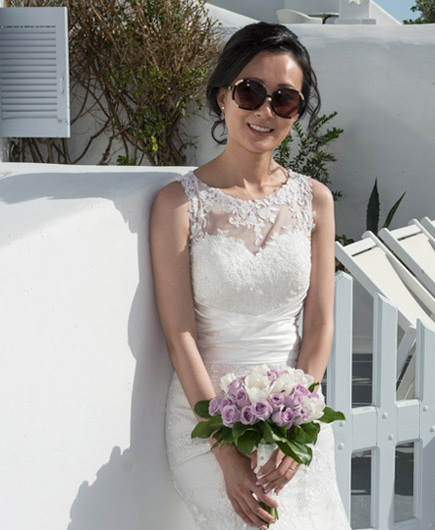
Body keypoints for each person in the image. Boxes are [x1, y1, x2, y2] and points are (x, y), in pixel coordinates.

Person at [150, 22, 350, 530]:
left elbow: (321, 324)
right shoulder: (178, 204)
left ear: (296, 113)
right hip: (206, 420)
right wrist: (224, 450)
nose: (265, 111)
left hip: (294, 418)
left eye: (284, 100)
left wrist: (300, 425)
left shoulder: (316, 201)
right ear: (223, 97)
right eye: (250, 92)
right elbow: (180, 335)